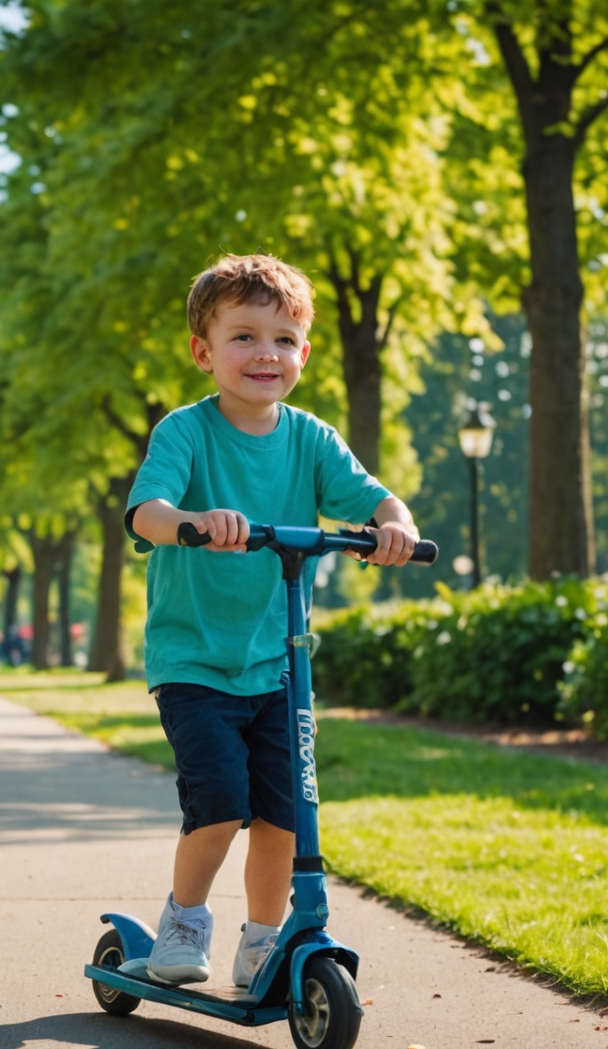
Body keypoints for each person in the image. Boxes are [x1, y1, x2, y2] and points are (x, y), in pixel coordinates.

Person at [120, 254, 420, 988]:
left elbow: (373, 497)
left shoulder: (311, 438)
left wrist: (395, 524)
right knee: (220, 805)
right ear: (204, 351)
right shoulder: (186, 433)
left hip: (279, 664)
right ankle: (184, 920)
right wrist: (194, 519)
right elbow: (146, 513)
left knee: (288, 818)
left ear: (304, 355)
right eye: (245, 336)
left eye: (284, 339)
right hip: (195, 662)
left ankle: (263, 940)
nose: (266, 354)